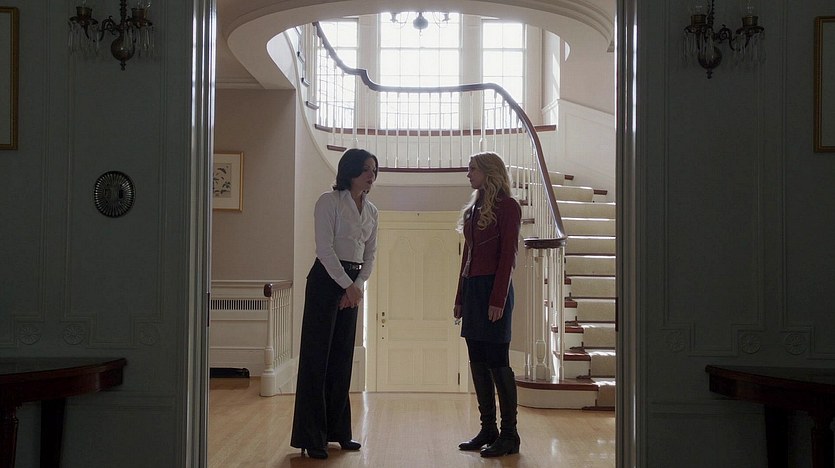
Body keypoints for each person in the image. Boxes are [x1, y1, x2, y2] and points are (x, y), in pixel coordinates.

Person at [290, 148, 379, 460]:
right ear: (350, 171)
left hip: (351, 284)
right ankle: (311, 437)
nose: (371, 175)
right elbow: (325, 250)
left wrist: (356, 286)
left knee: (342, 359)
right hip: (326, 282)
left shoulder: (372, 211)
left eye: (374, 170)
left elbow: (370, 255)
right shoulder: (328, 202)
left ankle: (339, 432)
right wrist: (347, 286)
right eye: (366, 169)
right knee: (317, 359)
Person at [453, 151, 522, 458]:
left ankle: (509, 435)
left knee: (498, 362)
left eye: (473, 169)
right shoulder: (473, 209)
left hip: (495, 289)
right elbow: (467, 257)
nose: (468, 174)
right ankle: (488, 429)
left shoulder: (508, 206)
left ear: (489, 172)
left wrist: (498, 298)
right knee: (477, 361)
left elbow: (508, 256)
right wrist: (459, 297)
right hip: (473, 290)